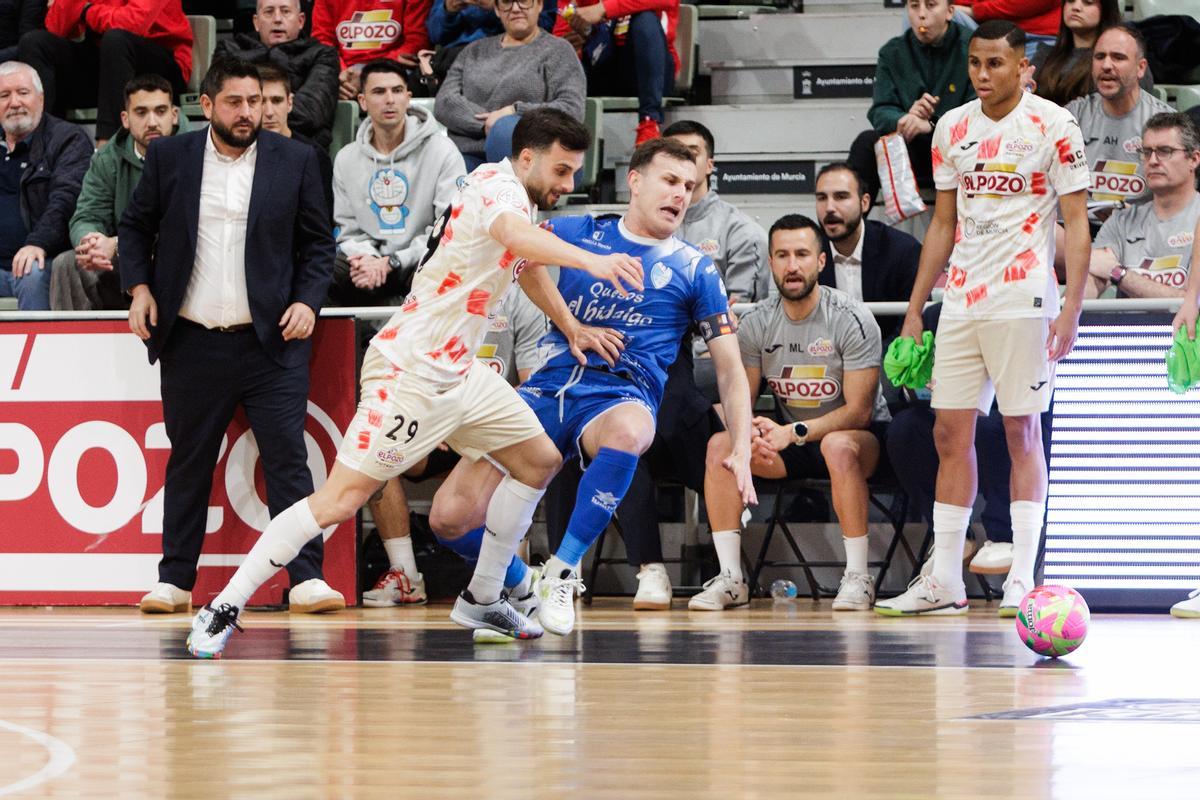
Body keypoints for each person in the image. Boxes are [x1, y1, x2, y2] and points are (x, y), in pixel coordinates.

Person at [183, 108, 645, 656]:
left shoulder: (516, 196)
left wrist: (570, 327)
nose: (568, 186)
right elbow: (515, 236)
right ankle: (225, 605)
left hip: (461, 371)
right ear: (527, 158)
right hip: (410, 372)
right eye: (562, 171)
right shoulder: (494, 187)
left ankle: (484, 597)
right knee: (339, 498)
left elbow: (525, 261)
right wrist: (592, 261)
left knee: (539, 460)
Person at [426, 137, 757, 636]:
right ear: (636, 181)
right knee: (448, 518)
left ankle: (562, 572)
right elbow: (521, 256)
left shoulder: (694, 268)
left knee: (631, 432)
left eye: (689, 186)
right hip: (551, 386)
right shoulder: (582, 232)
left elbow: (731, 370)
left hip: (621, 395)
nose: (680, 195)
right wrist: (570, 324)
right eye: (669, 181)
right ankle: (524, 582)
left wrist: (743, 447)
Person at [875, 20, 1091, 617]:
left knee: (1023, 433)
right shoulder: (952, 126)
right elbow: (942, 223)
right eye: (974, 64)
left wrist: (1071, 306)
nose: (982, 75)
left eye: (995, 64)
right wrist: (917, 308)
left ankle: (1022, 576)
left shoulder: (1055, 125)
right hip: (963, 298)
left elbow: (1076, 223)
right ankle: (945, 577)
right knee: (949, 432)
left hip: (1025, 297)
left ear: (1023, 66)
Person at [119, 58, 343, 617]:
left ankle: (307, 579)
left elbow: (319, 245)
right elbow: (135, 227)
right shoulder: (171, 157)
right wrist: (139, 288)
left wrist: (306, 301)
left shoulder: (296, 159)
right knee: (189, 461)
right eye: (238, 102)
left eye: (260, 101)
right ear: (207, 104)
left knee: (288, 460)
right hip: (192, 340)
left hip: (273, 341)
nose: (251, 112)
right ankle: (174, 581)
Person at [689, 214, 891, 611]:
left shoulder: (852, 319)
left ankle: (857, 578)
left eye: (801, 254)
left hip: (858, 442)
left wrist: (793, 431)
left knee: (836, 445)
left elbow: (860, 412)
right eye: (782, 255)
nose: (791, 265)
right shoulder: (758, 322)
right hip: (791, 441)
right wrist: (746, 432)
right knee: (719, 446)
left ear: (820, 262)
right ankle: (731, 579)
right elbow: (738, 400)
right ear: (769, 263)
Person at [362, 283, 547, 606]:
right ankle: (405, 573)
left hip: (493, 427)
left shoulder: (524, 296)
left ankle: (513, 583)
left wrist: (468, 420)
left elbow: (533, 385)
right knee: (378, 452)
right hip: (439, 427)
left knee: (522, 460)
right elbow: (411, 371)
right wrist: (438, 419)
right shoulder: (436, 289)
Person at [330, 60, 465, 306]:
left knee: (444, 269)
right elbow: (347, 230)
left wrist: (394, 261)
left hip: (420, 261)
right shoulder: (346, 158)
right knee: (320, 272)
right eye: (379, 92)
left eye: (397, 90)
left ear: (408, 98)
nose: (389, 99)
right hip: (367, 263)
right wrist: (370, 261)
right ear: (362, 101)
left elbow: (448, 229)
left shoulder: (442, 151)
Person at [51, 74, 182, 311]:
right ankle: (77, 345)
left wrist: (119, 244)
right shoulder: (107, 158)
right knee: (67, 264)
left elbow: (185, 229)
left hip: (180, 258)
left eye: (160, 111)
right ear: (125, 119)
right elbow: (87, 215)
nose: (152, 122)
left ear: (174, 115)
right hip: (127, 258)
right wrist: (92, 242)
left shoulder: (197, 153)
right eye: (141, 113)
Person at [847, 0, 974, 203]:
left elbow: (980, 110)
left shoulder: (972, 48)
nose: (921, 14)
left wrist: (933, 124)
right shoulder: (892, 52)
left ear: (950, 12)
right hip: (912, 146)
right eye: (914, 6)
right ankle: (849, 227)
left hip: (958, 148)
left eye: (931, 5)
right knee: (866, 143)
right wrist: (904, 118)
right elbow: (880, 110)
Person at [434, 0, 584, 170]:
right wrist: (486, 124)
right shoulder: (473, 51)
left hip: (533, 159)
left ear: (540, 5)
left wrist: (514, 112)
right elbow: (444, 102)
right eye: (506, 2)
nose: (515, 8)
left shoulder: (559, 50)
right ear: (497, 9)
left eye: (524, 1)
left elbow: (572, 109)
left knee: (505, 130)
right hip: (467, 156)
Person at [18, 0, 192, 145]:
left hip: (161, 64)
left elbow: (132, 24)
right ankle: (42, 142)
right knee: (35, 43)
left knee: (115, 39)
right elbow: (56, 27)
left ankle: (108, 145)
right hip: (107, 64)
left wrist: (87, 10)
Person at [0, 61, 91, 311]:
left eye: (23, 92)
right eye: (4, 95)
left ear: (40, 99)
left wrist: (37, 243)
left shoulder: (68, 139)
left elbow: (66, 199)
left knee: (31, 275)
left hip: (43, 258)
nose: (14, 102)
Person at [1065, 24, 1174, 224]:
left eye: (1118, 57)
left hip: (1138, 232)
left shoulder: (1168, 125)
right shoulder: (1071, 116)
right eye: (1100, 57)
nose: (1106, 65)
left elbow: (1179, 205)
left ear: (1141, 68)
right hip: (1076, 231)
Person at [1087, 113, 1200, 299]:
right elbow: (1094, 276)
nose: (1153, 161)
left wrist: (1119, 273)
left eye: (1165, 151)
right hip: (1127, 328)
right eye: (1147, 152)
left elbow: (1190, 303)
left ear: (1194, 159)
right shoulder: (1121, 222)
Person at [663, 119, 769, 303]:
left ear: (710, 166)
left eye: (692, 153)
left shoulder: (742, 232)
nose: (682, 160)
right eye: (673, 153)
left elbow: (740, 314)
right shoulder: (643, 224)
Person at [214, 0, 340, 147]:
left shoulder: (323, 54)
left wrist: (273, 55)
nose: (277, 19)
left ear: (301, 21)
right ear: (256, 22)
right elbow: (217, 101)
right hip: (238, 146)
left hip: (300, 147)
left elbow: (311, 112)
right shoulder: (229, 49)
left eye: (285, 11)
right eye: (269, 12)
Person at [554, 0, 679, 145]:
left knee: (645, 19)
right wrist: (574, 41)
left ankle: (650, 121)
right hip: (603, 69)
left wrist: (603, 9)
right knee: (561, 54)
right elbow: (561, 29)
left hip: (652, 71)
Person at [814, 162, 921, 312]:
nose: (829, 208)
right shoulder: (807, 254)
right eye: (822, 198)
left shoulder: (902, 251)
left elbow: (911, 324)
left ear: (864, 203)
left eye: (841, 197)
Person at [313, 0, 433, 101]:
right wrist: (341, 73)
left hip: (393, 67)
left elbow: (417, 41)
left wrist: (369, 73)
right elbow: (322, 40)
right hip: (344, 74)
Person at [257, 64, 334, 217]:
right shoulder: (238, 153)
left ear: (290, 103)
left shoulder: (314, 156)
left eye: (277, 101)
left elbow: (322, 223)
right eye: (260, 102)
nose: (269, 112)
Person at [1030, 0, 1122, 107]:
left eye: (1088, 2)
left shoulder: (1119, 61)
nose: (1076, 7)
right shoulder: (1044, 54)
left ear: (1106, 10)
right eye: (1070, 1)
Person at [952, 0, 1061, 58]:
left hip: (1036, 39)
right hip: (990, 31)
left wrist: (974, 11)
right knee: (944, 13)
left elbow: (1024, 5)